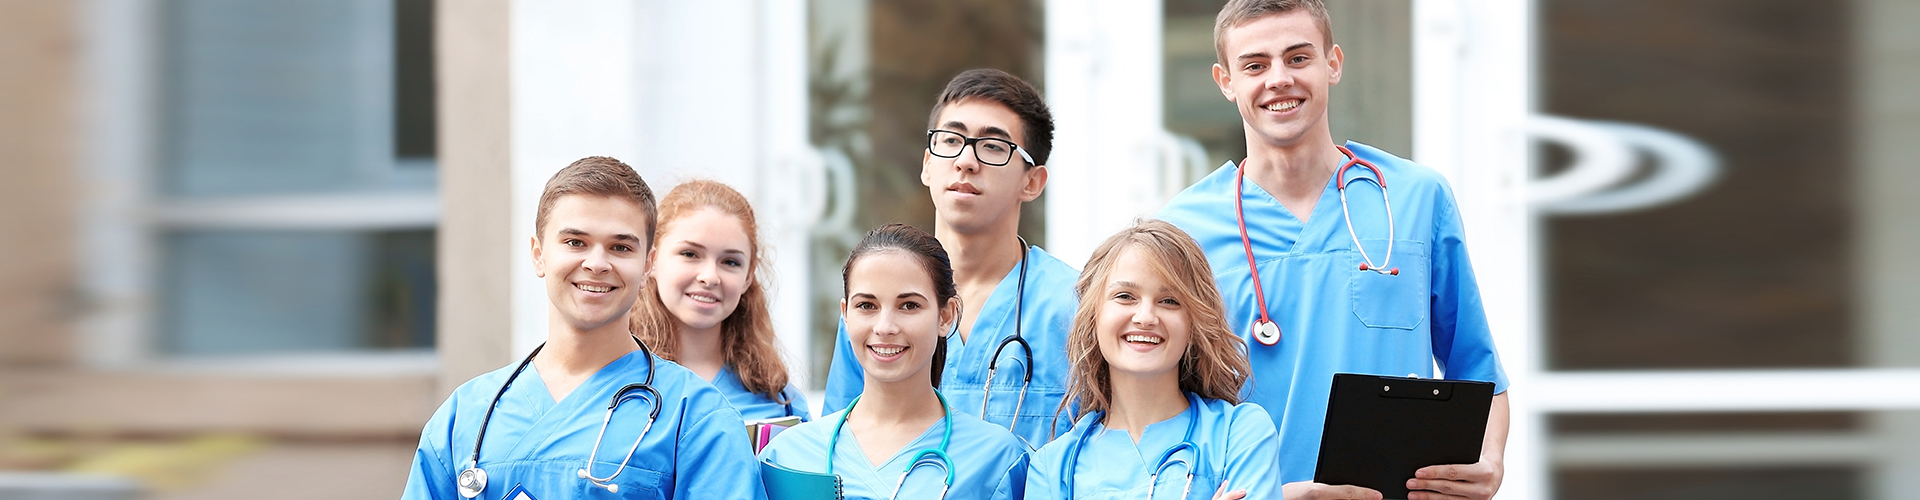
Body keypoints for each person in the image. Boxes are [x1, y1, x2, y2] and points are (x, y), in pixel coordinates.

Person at [1156, 1, 1511, 499]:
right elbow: (1157, 398)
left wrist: (1490, 460)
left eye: (1298, 58)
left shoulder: (1414, 198)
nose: (1278, 79)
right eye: (1255, 65)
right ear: (1225, 81)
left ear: (1333, 64)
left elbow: (1478, 370)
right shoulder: (1181, 229)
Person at [403, 157, 766, 500]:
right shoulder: (465, 416)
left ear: (647, 266)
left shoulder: (697, 418)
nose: (596, 263)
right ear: (538, 254)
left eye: (620, 247)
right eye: (575, 242)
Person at [824, 69, 1080, 449]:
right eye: (951, 140)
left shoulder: (1073, 308)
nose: (965, 160)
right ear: (928, 165)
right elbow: (836, 444)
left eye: (993, 146)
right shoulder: (877, 302)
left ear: (1032, 182)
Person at [761, 224, 1029, 500]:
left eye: (909, 305)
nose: (885, 327)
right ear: (845, 314)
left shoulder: (997, 460)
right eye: (867, 306)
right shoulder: (788, 457)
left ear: (945, 316)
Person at [1026, 220, 1279, 500]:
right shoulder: (1052, 469)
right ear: (1093, 315)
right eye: (1125, 297)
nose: (1145, 317)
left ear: (1193, 322)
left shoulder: (1241, 434)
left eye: (1169, 301)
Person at [631, 179, 811, 422]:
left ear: (748, 276)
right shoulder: (615, 377)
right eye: (690, 254)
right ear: (650, 260)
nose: (710, 277)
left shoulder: (780, 400)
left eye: (730, 262)